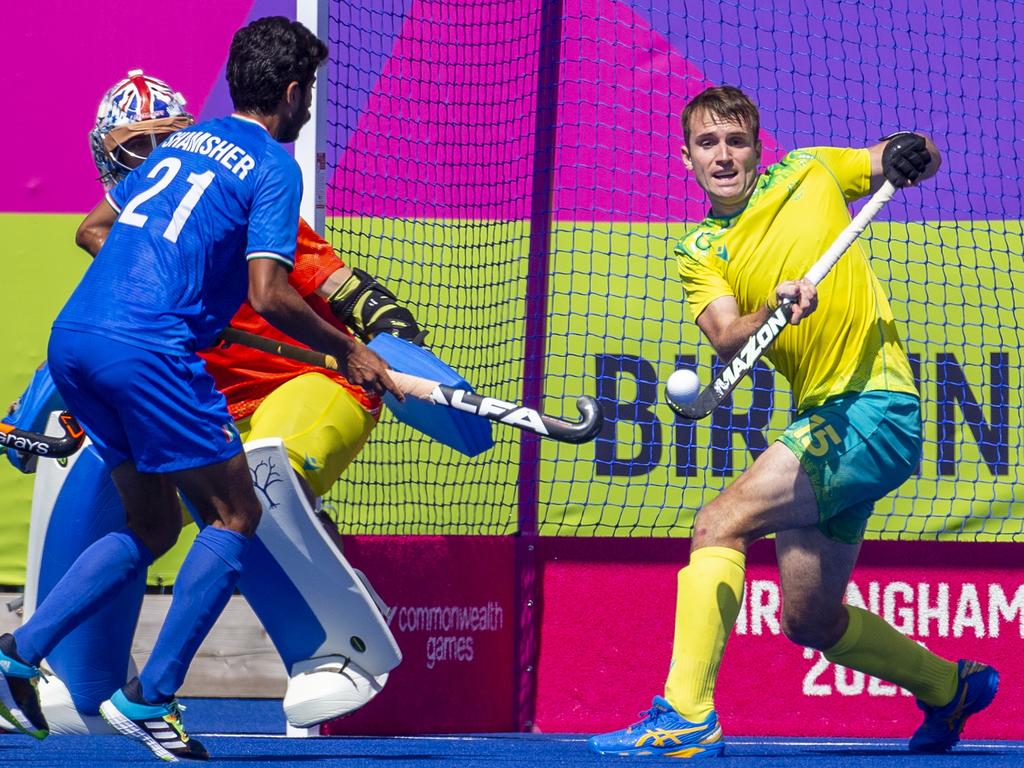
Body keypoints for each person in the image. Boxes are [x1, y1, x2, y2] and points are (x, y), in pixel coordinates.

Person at [0, 17, 402, 762]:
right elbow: (273, 292)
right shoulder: (276, 169)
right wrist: (350, 350)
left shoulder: (180, 144)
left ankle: (15, 655)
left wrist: (187, 286)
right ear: (289, 91)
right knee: (235, 511)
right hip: (149, 355)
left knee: (152, 526)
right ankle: (149, 698)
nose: (308, 106)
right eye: (307, 91)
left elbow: (94, 228)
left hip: (76, 338)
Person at [588, 85, 998, 759]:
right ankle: (949, 686)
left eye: (736, 141)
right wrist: (773, 309)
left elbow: (911, 154)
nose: (723, 156)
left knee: (719, 522)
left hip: (873, 405)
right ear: (686, 158)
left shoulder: (809, 171)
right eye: (708, 144)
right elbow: (726, 335)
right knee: (809, 619)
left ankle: (686, 716)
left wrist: (909, 153)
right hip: (827, 416)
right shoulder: (699, 250)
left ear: (758, 148)